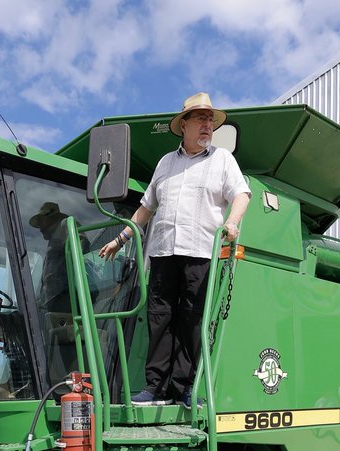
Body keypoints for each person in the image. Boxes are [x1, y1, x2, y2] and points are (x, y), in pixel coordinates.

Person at [99, 92, 251, 407]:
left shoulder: (223, 160)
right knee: (159, 317)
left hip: (199, 252)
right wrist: (121, 239)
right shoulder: (166, 163)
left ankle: (185, 389)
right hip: (163, 252)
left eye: (211, 119)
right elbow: (146, 209)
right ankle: (155, 387)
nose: (208, 125)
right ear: (184, 125)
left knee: (191, 319)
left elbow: (241, 194)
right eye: (201, 118)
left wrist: (233, 222)